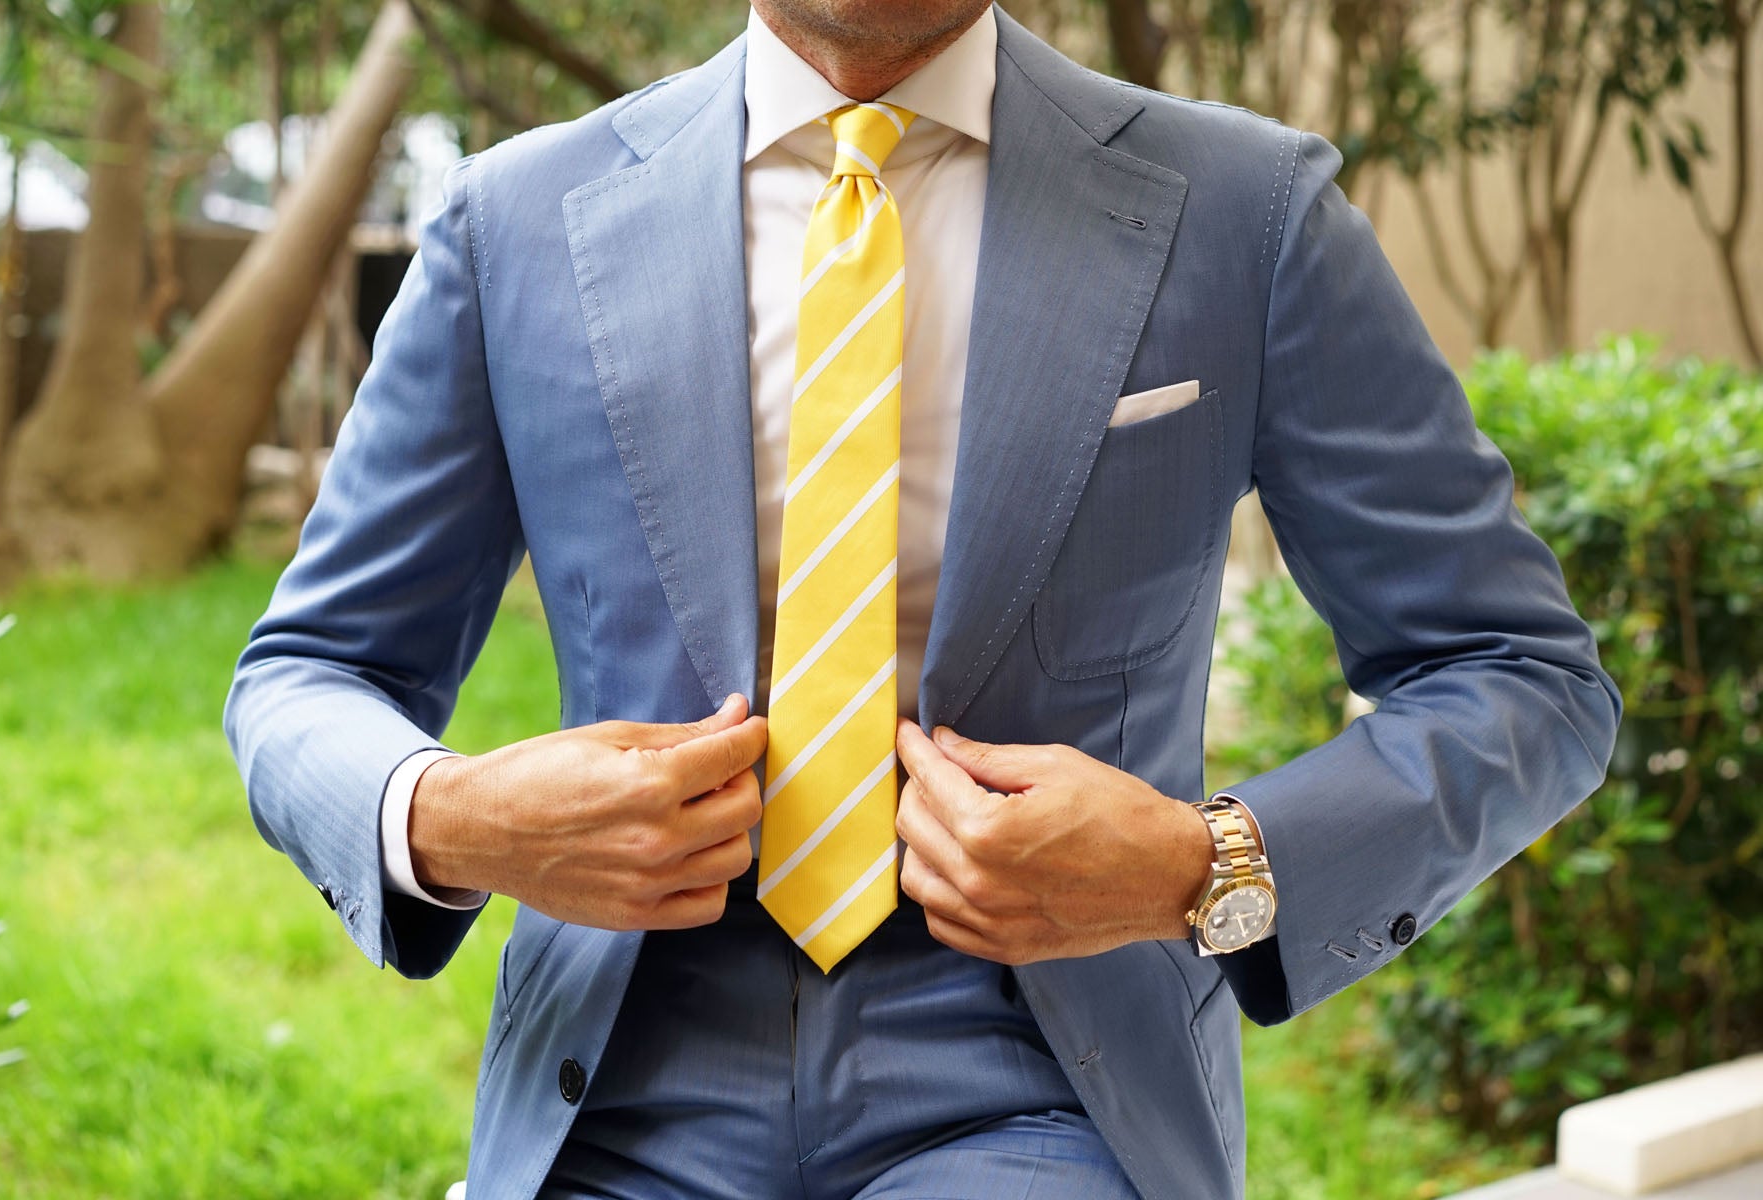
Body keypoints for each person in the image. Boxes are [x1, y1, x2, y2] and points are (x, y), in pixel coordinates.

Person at [225, 2, 1621, 1197]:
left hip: (1042, 1080)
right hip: (619, 1078)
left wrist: (1209, 867)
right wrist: (453, 818)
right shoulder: (511, 223)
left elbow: (1520, 676)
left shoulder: (1247, 217)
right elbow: (307, 671)